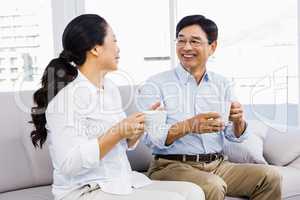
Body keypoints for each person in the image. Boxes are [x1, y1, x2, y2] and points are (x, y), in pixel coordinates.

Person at [30, 14, 204, 200]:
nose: (118, 48)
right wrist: (118, 131)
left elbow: (122, 143)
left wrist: (137, 128)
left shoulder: (110, 89)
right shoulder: (65, 101)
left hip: (119, 182)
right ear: (96, 49)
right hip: (84, 190)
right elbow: (69, 164)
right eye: (113, 40)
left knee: (193, 192)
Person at [137, 15, 282, 200]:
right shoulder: (155, 84)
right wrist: (190, 125)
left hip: (218, 165)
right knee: (212, 185)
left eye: (194, 41)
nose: (186, 47)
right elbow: (150, 138)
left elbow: (234, 135)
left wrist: (238, 121)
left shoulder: (222, 84)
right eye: (181, 40)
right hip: (170, 166)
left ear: (212, 47)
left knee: (270, 177)